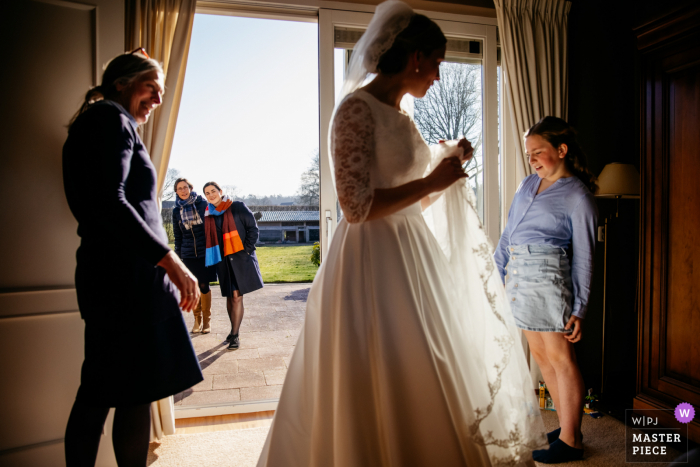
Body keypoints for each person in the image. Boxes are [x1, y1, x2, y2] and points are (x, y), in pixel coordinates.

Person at [258, 2, 547, 466]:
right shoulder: (355, 110)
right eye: (435, 63)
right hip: (369, 260)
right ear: (415, 57)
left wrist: (446, 170)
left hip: (413, 254)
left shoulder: (405, 117)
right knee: (378, 363)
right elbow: (356, 209)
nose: (436, 75)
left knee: (430, 361)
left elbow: (415, 199)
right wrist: (433, 179)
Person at [62, 49, 203, 467]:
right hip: (124, 282)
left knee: (127, 393)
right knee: (104, 395)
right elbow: (110, 202)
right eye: (151, 88)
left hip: (123, 278)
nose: (158, 101)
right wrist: (172, 262)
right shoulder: (109, 118)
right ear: (121, 83)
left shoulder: (102, 121)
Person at [494, 117, 598, 464]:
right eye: (529, 154)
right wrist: (496, 272)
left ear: (561, 150)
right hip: (519, 279)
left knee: (560, 359)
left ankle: (571, 441)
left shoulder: (577, 196)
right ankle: (571, 428)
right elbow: (509, 235)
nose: (533, 159)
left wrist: (580, 307)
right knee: (540, 358)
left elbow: (585, 256)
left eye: (539, 152)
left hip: (548, 279)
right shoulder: (526, 185)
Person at [202, 182, 263, 350]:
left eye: (213, 191)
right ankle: (232, 330)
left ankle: (235, 335)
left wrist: (247, 251)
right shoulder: (208, 214)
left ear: (220, 192)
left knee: (236, 296)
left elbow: (253, 229)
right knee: (230, 296)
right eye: (207, 193)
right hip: (223, 261)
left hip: (240, 258)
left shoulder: (237, 207)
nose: (211, 194)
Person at [173, 177, 214, 333]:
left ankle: (207, 321)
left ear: (190, 188)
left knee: (204, 284)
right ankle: (197, 320)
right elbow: (178, 236)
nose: (183, 191)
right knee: (193, 286)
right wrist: (178, 256)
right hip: (187, 253)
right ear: (176, 192)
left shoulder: (202, 204)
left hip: (204, 252)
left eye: (185, 187)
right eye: (179, 188)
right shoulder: (176, 211)